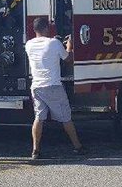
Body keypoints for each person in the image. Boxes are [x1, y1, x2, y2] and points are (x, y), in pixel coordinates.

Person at [25, 17, 85, 160]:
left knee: (39, 118)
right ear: (46, 28)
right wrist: (69, 45)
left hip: (36, 86)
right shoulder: (54, 43)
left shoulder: (29, 44)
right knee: (66, 118)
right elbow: (67, 59)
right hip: (52, 85)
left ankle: (35, 150)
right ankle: (78, 146)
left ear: (34, 30)